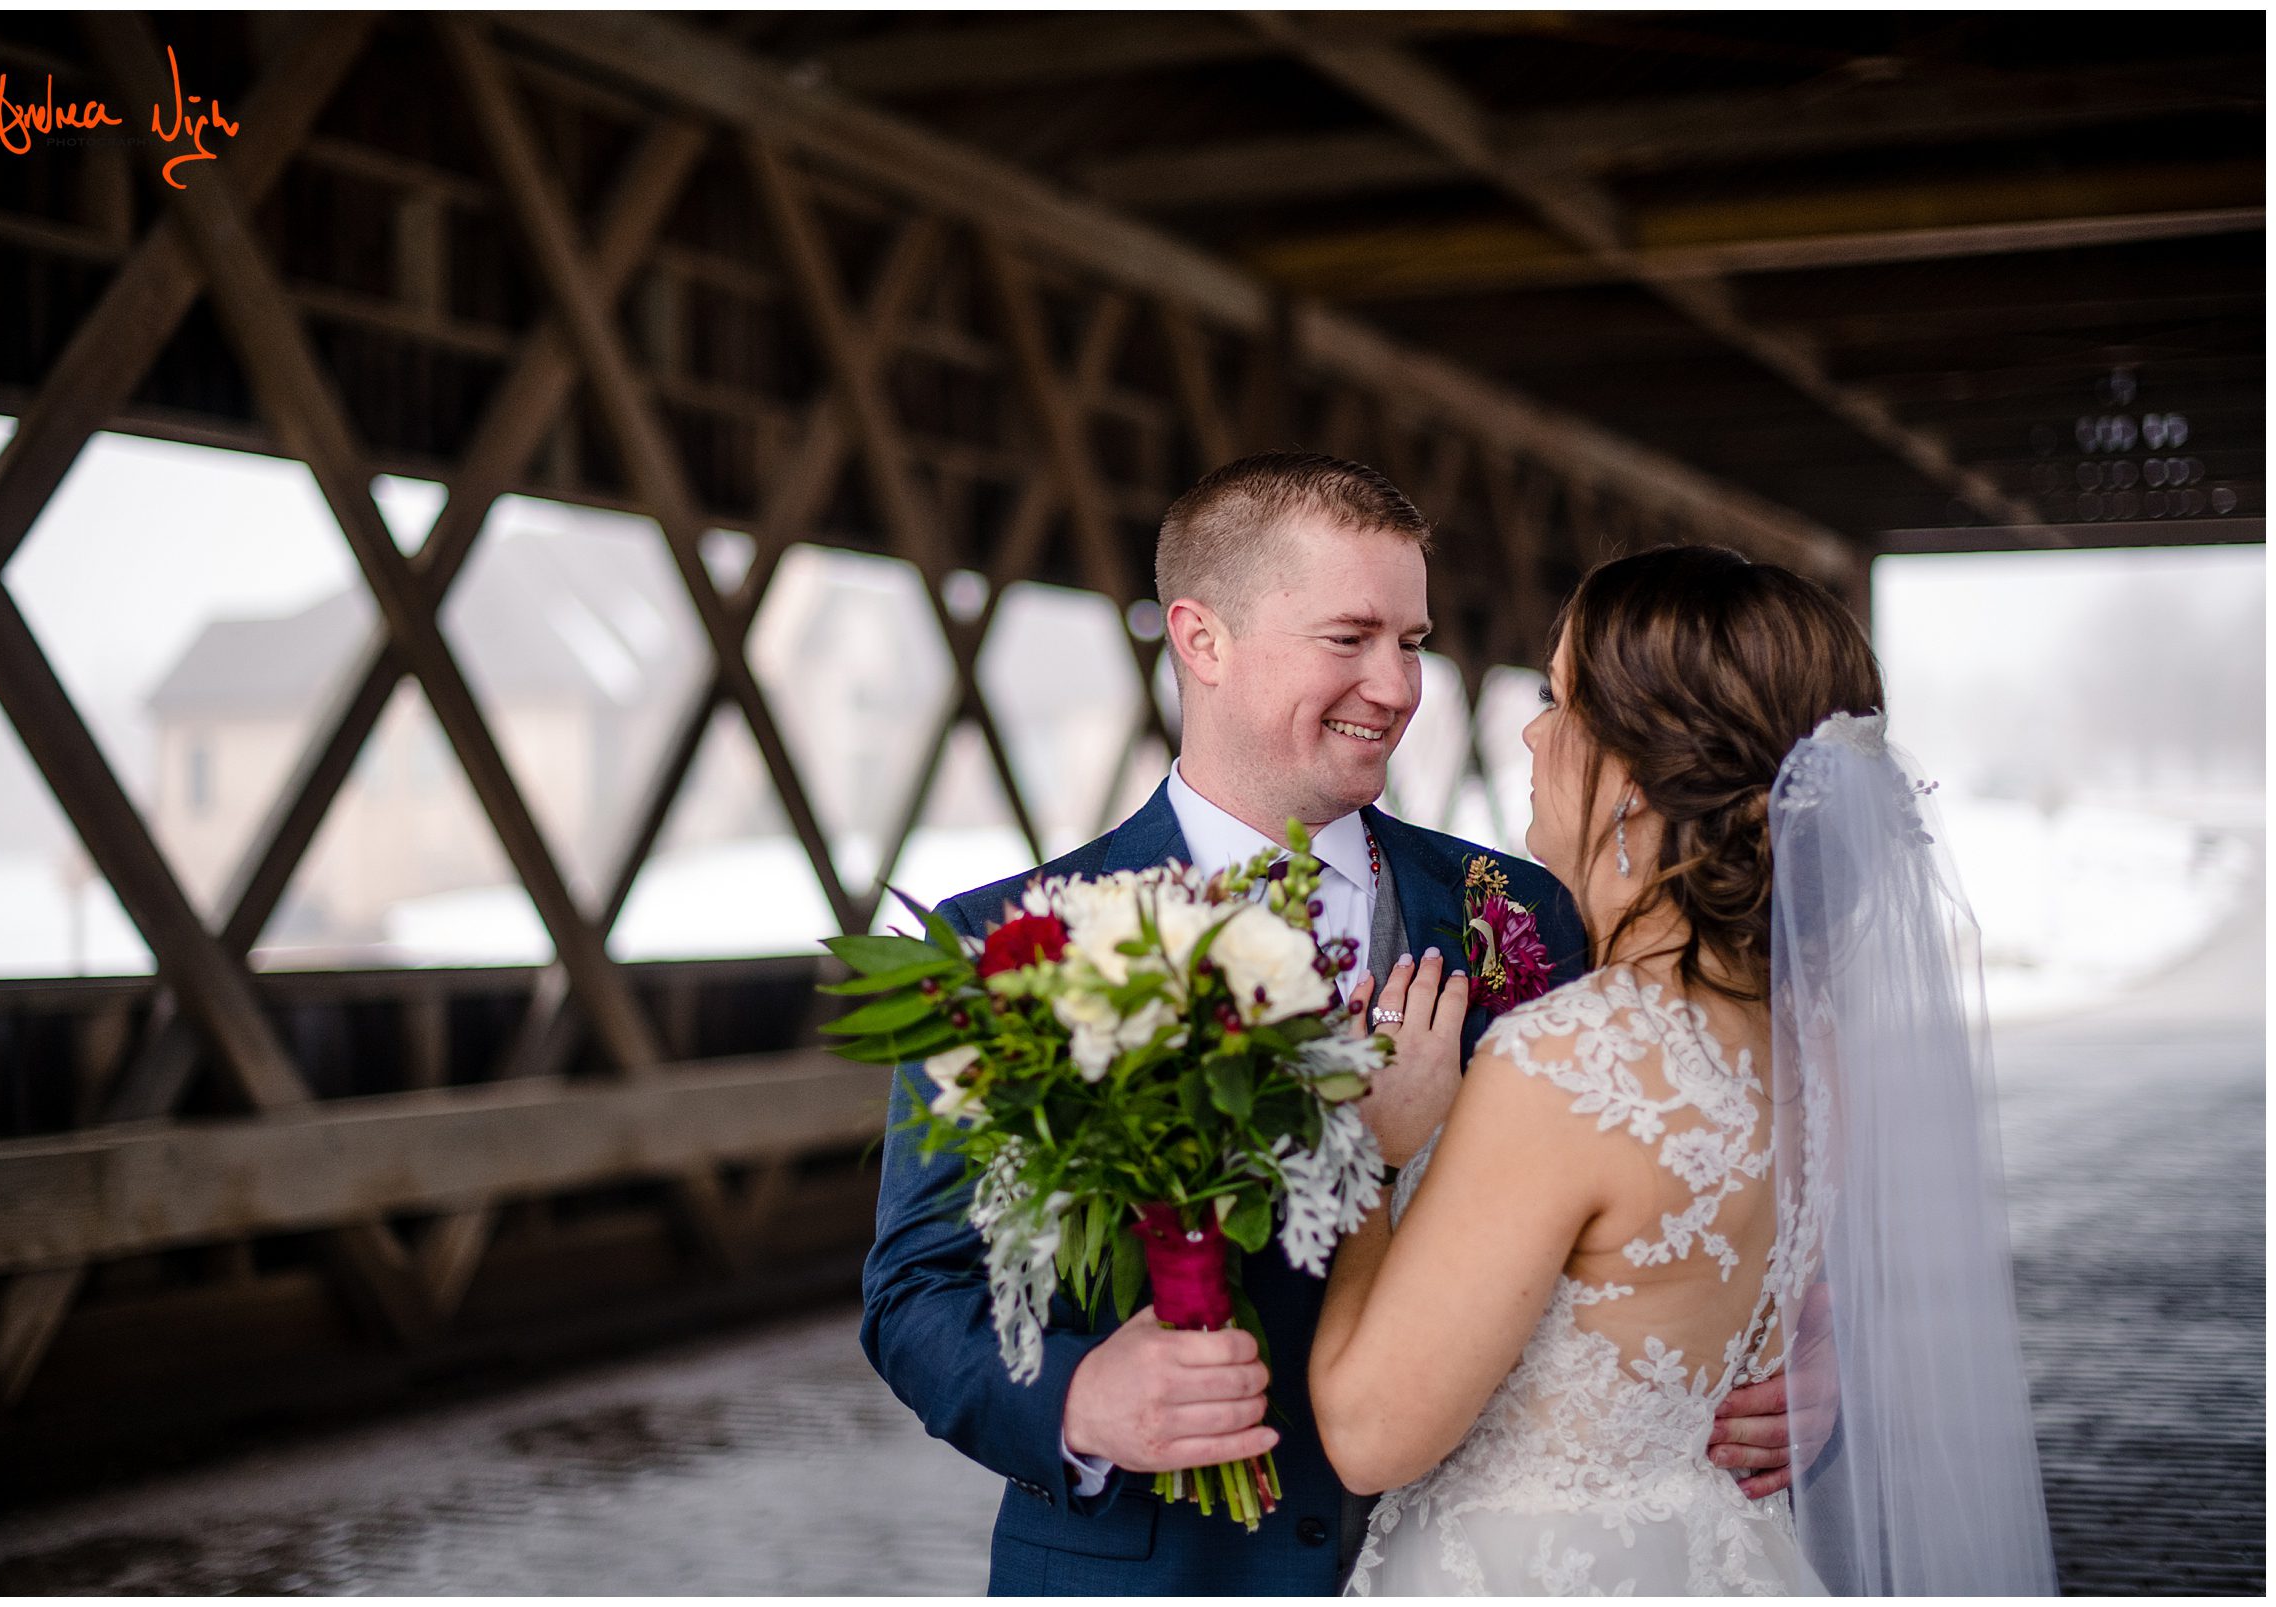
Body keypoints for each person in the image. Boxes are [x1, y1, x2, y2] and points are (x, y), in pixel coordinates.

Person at [859, 456, 1802, 1594]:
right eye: (1349, 638)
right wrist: (1078, 1401)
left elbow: (1681, 1164)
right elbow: (919, 1291)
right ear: (1201, 640)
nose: (1399, 687)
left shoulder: (1529, 906)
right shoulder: (1010, 944)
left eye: (1411, 640)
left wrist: (1789, 1358)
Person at [1311, 545, 2056, 1595]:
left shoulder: (1568, 1061)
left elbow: (1369, 1432)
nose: (1528, 732)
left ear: (1637, 777)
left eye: (1557, 699)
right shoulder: (1814, 1045)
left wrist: (1373, 1154)